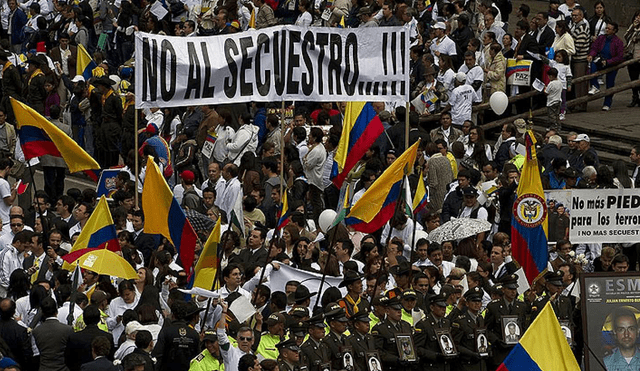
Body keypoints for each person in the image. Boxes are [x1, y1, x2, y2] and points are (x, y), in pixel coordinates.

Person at [587, 22, 625, 111]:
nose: (607, 30)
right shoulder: (601, 38)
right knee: (592, 66)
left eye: (609, 29)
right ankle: (595, 86)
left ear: (614, 31)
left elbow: (619, 57)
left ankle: (607, 103)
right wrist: (591, 55)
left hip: (611, 64)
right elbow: (594, 48)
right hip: (600, 60)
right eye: (606, 28)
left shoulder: (618, 42)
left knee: (610, 83)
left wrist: (608, 62)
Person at [625, 11, 640, 107]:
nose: (637, 18)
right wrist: (633, 28)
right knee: (633, 78)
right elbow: (626, 37)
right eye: (636, 16)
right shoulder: (632, 27)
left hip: (639, 55)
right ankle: (635, 97)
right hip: (631, 55)